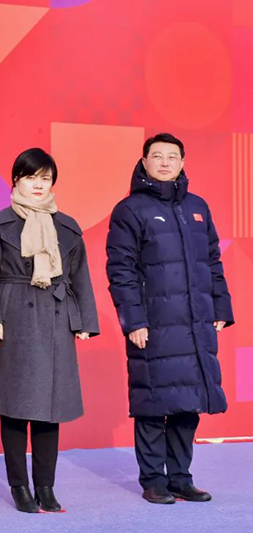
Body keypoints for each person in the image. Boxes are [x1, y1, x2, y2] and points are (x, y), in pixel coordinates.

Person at [106, 133, 234, 505]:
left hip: (196, 323)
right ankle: (153, 480)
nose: (165, 162)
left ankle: (180, 477)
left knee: (188, 403)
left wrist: (220, 309)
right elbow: (121, 269)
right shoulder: (130, 210)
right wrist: (134, 321)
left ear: (182, 162)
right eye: (157, 156)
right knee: (153, 403)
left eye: (172, 156)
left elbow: (212, 261)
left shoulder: (198, 207)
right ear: (144, 161)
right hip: (154, 324)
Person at [0, 148, 99, 513]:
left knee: (50, 407)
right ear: (16, 180)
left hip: (56, 319)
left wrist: (83, 322)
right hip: (13, 316)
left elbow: (80, 276)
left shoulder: (67, 226)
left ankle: (46, 486)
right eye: (31, 177)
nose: (39, 185)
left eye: (45, 178)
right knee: (14, 406)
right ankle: (19, 486)